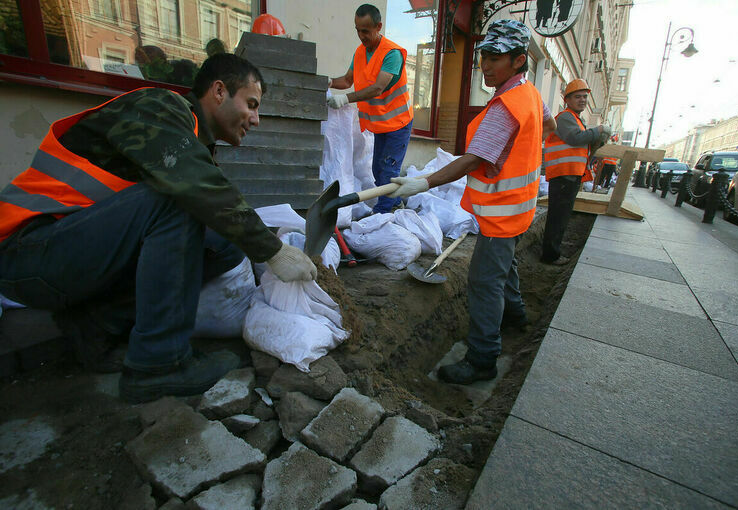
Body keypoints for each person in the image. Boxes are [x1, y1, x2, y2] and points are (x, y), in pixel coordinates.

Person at [0, 53, 317, 403]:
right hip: (26, 250)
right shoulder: (158, 107)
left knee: (222, 243)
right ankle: (159, 362)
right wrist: (272, 252)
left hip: (66, 254)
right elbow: (193, 185)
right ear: (218, 91)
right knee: (179, 199)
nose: (256, 119)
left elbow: (212, 201)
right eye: (252, 104)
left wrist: (268, 242)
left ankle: (96, 328)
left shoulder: (190, 138)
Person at [388, 20, 556, 385]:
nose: (486, 65)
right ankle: (515, 315)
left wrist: (422, 182)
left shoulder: (505, 108)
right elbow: (549, 123)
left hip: (502, 212)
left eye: (496, 58)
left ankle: (483, 358)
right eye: (484, 56)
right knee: (505, 264)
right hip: (520, 208)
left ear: (518, 60)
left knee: (483, 281)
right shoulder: (530, 94)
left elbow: (472, 160)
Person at [327, 3, 413, 214]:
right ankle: (395, 202)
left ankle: (382, 215)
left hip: (398, 123)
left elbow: (377, 88)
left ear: (378, 26)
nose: (361, 35)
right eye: (357, 29)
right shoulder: (359, 53)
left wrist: (345, 99)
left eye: (365, 30)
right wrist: (327, 82)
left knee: (387, 172)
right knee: (377, 170)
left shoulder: (392, 54)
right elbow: (347, 80)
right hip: (382, 124)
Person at [541, 78, 609, 265]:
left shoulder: (576, 119)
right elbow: (575, 138)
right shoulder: (565, 117)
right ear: (567, 100)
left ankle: (552, 250)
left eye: (585, 97)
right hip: (563, 175)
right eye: (577, 97)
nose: (582, 100)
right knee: (558, 216)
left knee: (561, 215)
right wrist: (600, 129)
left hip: (570, 174)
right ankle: (551, 255)